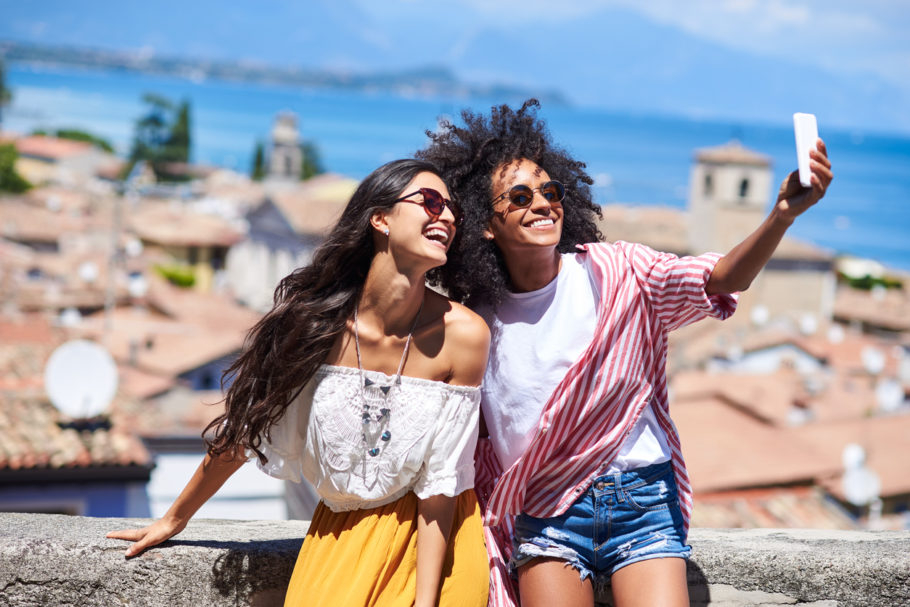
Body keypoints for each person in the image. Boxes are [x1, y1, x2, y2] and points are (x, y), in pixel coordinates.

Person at [417, 100, 833, 607]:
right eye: (520, 196)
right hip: (544, 510)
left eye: (551, 191)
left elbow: (719, 279)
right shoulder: (476, 321)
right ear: (485, 222)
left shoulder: (621, 274)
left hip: (642, 499)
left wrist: (782, 214)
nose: (542, 204)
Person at [107, 159, 492, 607]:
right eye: (429, 201)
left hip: (437, 552)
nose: (445, 215)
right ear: (380, 218)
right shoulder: (314, 328)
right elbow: (244, 431)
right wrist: (174, 518)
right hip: (338, 539)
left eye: (452, 210)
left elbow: (440, 487)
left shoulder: (464, 337)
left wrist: (425, 603)